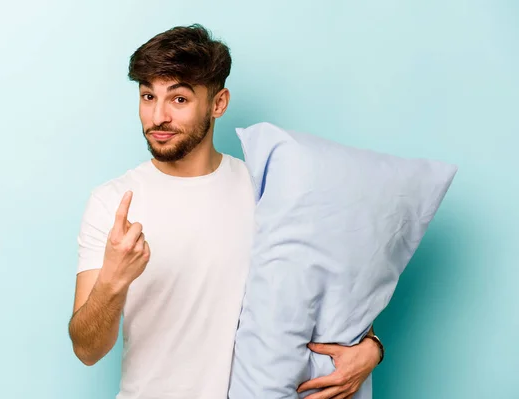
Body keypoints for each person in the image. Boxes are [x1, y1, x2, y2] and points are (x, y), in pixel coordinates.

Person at [68, 23, 383, 399]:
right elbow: (86, 350)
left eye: (179, 99)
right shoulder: (113, 201)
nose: (158, 117)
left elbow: (332, 292)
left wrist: (372, 348)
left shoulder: (265, 190)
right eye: (148, 96)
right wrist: (113, 281)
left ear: (218, 104)